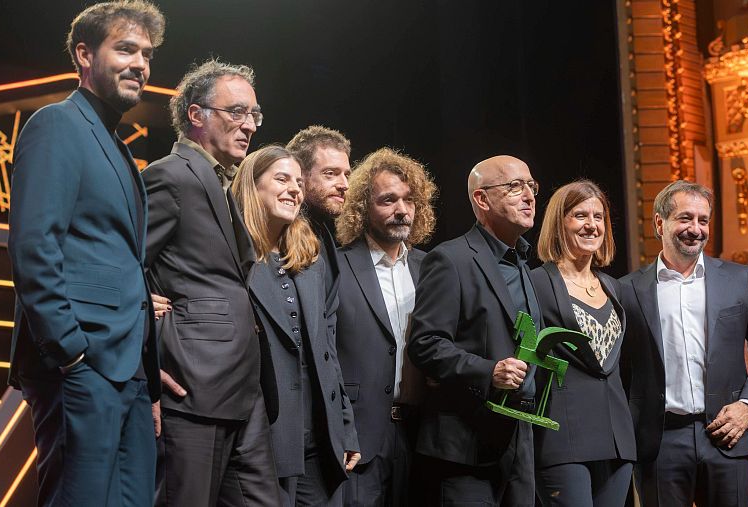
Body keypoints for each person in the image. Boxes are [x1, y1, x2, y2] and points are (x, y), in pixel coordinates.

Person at [7, 2, 164, 505]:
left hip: (128, 368)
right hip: (81, 364)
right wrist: (70, 352)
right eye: (125, 49)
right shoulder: (57, 124)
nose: (140, 63)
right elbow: (33, 245)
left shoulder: (116, 145)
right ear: (84, 54)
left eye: (146, 54)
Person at [143, 59, 280, 506]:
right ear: (196, 115)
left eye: (254, 115)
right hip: (192, 387)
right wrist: (145, 361)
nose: (249, 126)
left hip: (243, 389)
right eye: (237, 112)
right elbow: (121, 265)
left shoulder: (222, 183)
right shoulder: (172, 175)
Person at [619, 180, 748, 507]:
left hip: (729, 435)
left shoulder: (740, 279)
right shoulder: (627, 290)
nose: (695, 228)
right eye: (685, 218)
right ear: (659, 223)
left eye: (703, 220)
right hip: (660, 443)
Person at [408, 155, 541, 506]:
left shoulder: (524, 264)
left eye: (532, 186)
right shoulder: (450, 259)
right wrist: (488, 370)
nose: (529, 195)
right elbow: (425, 344)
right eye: (515, 186)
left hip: (518, 443)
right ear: (482, 199)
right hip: (464, 445)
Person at [230, 145, 360, 506]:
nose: (295, 189)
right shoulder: (231, 256)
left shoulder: (311, 257)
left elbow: (327, 350)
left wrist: (345, 426)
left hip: (319, 434)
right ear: (251, 187)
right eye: (282, 179)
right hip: (263, 435)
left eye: (299, 182)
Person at [334, 148, 438, 506]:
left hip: (421, 434)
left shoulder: (432, 269)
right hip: (360, 437)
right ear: (362, 207)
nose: (401, 210)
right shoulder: (336, 265)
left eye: (409, 200)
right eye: (388, 200)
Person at [529, 180, 635, 506]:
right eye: (580, 215)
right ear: (560, 223)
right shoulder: (536, 283)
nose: (592, 225)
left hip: (617, 438)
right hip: (564, 435)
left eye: (598, 216)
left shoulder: (614, 288)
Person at [286, 125, 352, 296]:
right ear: (299, 174)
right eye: (330, 173)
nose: (344, 185)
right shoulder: (277, 232)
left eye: (347, 175)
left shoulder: (323, 233)